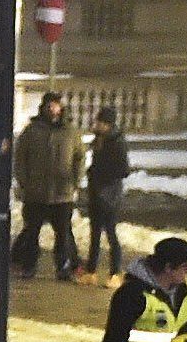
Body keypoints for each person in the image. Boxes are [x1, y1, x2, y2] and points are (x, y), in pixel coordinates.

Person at [12, 92, 84, 280]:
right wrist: (24, 182)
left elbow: (79, 158)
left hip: (62, 194)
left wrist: (75, 182)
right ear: (44, 107)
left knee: (62, 233)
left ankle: (63, 267)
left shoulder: (71, 132)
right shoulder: (32, 131)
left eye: (56, 105)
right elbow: (20, 158)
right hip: (36, 193)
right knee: (31, 231)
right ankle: (29, 266)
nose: (53, 109)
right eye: (50, 105)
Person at [83, 103, 130, 276]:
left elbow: (124, 170)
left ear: (109, 124)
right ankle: (91, 271)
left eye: (101, 122)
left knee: (111, 233)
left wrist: (100, 172)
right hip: (96, 192)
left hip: (110, 195)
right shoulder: (99, 140)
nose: (98, 124)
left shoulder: (117, 143)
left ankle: (115, 272)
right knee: (94, 234)